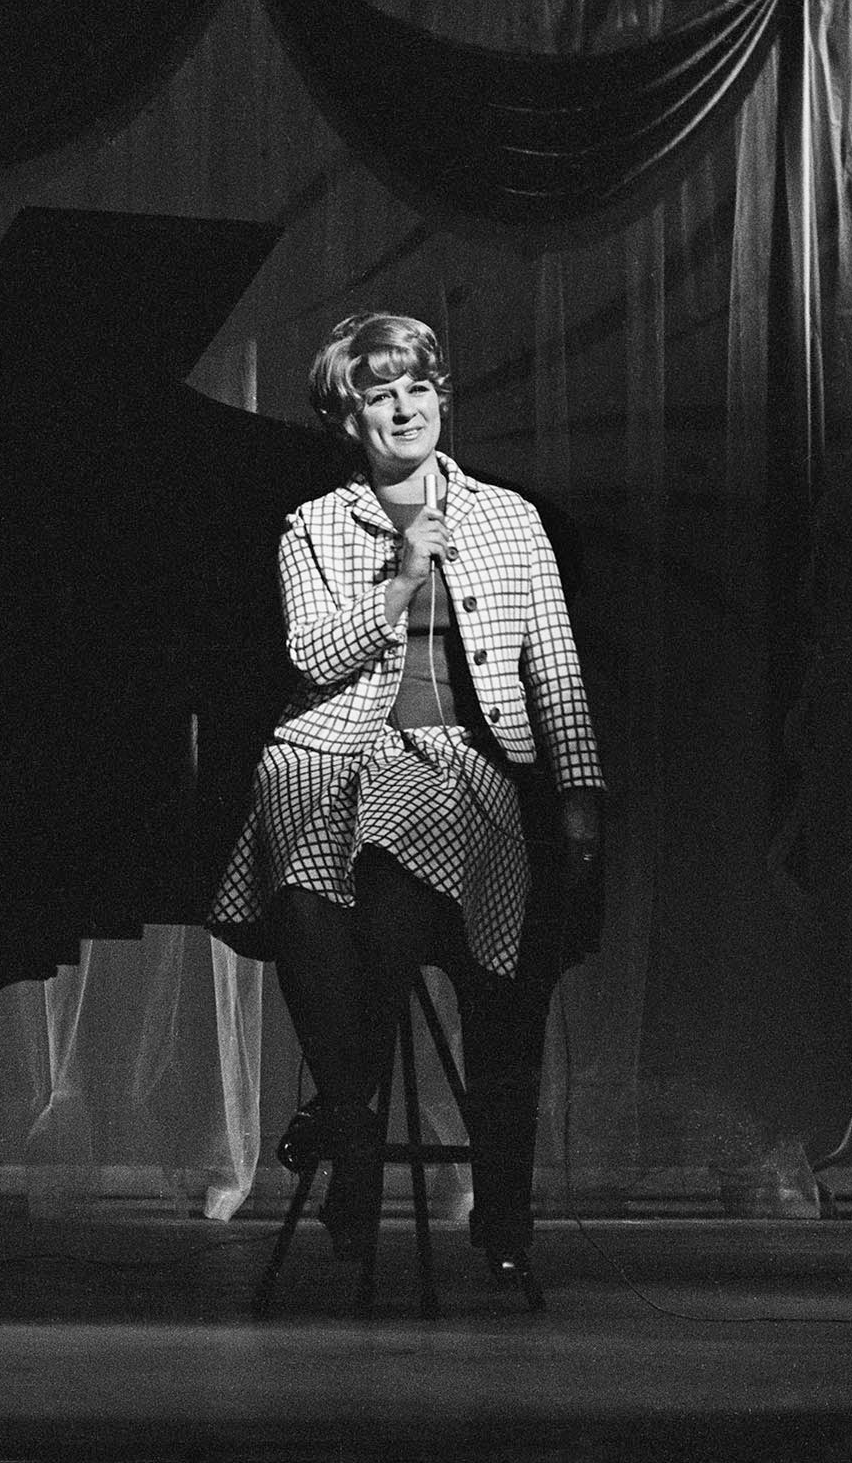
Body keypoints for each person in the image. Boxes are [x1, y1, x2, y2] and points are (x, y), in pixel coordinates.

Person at [211, 313, 604, 1284]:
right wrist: (399, 577)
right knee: (302, 851)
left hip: (465, 764)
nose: (401, 407)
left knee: (393, 823)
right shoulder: (310, 527)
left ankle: (350, 1127)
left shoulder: (509, 519)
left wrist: (580, 790)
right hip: (330, 750)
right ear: (348, 420)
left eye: (415, 387)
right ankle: (354, 1125)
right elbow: (309, 657)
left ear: (439, 396)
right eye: (377, 394)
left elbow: (552, 667)